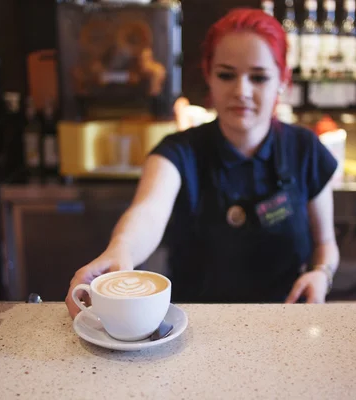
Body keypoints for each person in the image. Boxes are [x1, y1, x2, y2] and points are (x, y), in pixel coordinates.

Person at [66, 8, 339, 318]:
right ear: (208, 74)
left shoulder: (305, 150)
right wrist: (121, 249)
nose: (242, 91)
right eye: (226, 75)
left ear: (282, 80)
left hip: (285, 322)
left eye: (259, 77)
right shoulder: (179, 151)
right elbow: (148, 212)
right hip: (193, 330)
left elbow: (325, 243)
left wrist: (322, 274)